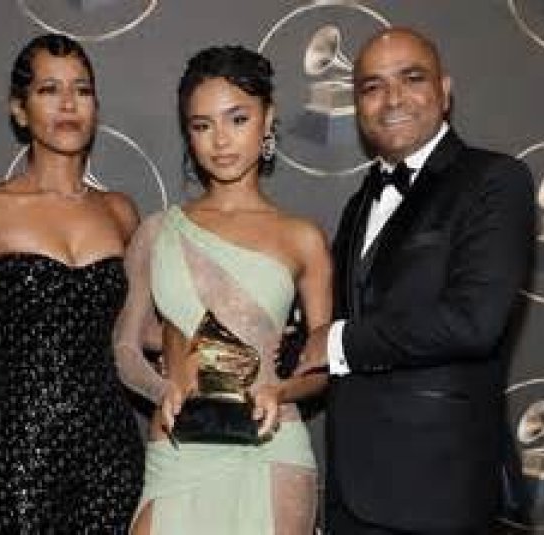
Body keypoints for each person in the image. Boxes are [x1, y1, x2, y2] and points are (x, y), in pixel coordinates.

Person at [301, 27, 537, 534]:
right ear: (357, 106)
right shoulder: (359, 202)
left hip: (440, 492)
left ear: (445, 91)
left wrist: (338, 341)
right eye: (372, 86)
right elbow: (336, 318)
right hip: (351, 493)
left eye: (412, 78)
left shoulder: (494, 180)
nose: (392, 99)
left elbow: (473, 323)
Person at [0, 33, 158, 533]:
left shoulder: (120, 212)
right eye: (49, 89)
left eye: (82, 89)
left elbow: (140, 334)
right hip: (19, 453)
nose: (69, 104)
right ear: (19, 109)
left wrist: (232, 334)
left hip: (110, 453)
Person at [115, 45, 332, 535]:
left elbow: (321, 367)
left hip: (270, 448)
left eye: (237, 119)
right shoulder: (157, 232)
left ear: (267, 119)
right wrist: (161, 389)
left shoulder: (302, 238)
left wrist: (281, 390)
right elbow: (126, 348)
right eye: (202, 125)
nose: (220, 140)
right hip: (178, 448)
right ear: (188, 133)